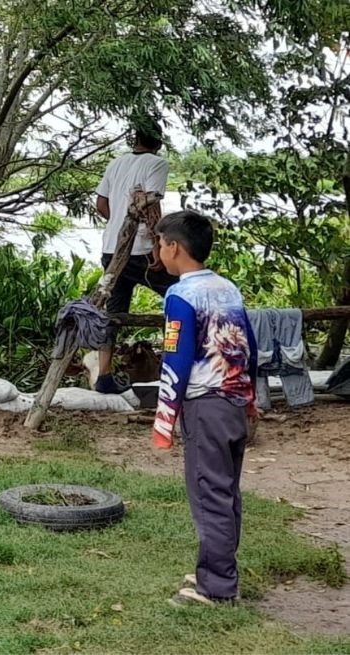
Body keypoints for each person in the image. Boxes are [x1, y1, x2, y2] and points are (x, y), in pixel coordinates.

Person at [150, 210, 259, 607]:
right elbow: (249, 345)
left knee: (209, 492)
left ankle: (216, 587)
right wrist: (251, 399)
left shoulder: (180, 295)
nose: (158, 251)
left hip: (205, 405)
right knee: (226, 491)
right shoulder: (227, 288)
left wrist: (164, 418)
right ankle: (218, 568)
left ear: (174, 248)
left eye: (160, 244)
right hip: (233, 403)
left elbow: (175, 359)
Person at [94, 120, 176, 394]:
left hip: (111, 249)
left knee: (113, 314)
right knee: (180, 296)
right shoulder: (157, 164)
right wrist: (157, 246)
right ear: (159, 142)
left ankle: (104, 376)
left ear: (135, 139)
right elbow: (151, 206)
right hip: (140, 250)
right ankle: (180, 362)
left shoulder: (116, 163)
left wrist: (118, 224)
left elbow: (101, 204)